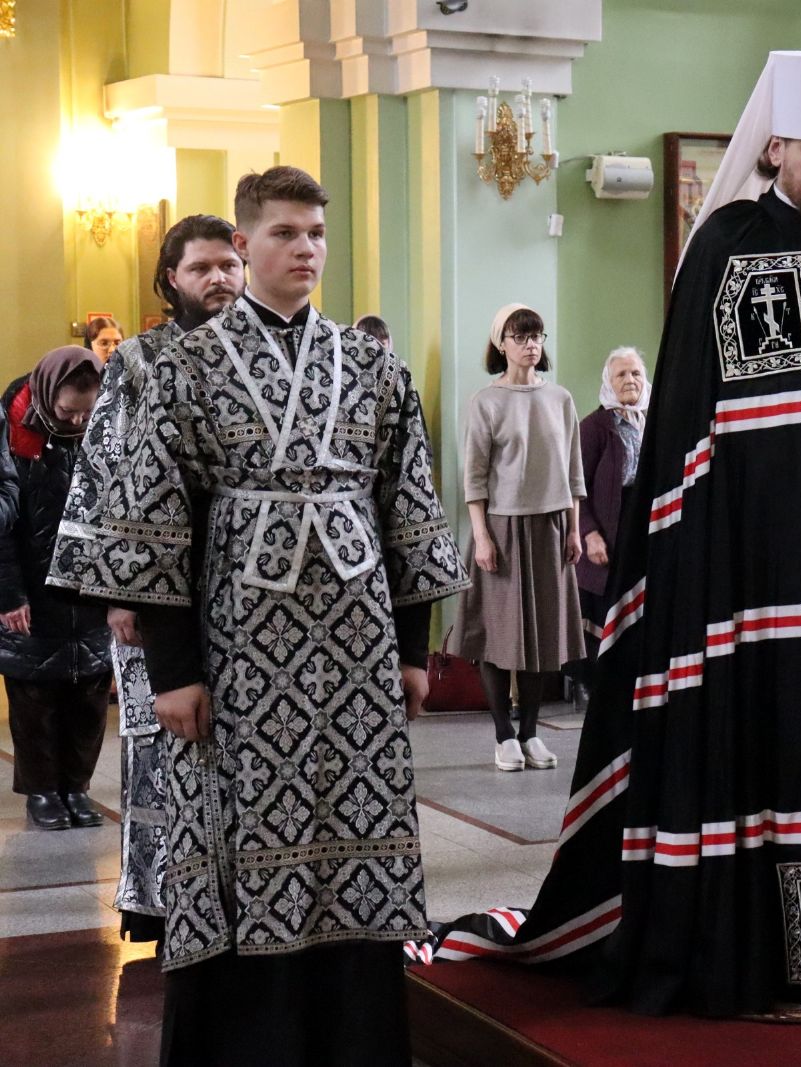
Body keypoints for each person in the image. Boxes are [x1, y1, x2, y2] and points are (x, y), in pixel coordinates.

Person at [418, 50, 801, 1018]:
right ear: (775, 148)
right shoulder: (725, 247)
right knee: (781, 750)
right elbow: (686, 434)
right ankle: (767, 956)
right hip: (761, 583)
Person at [65, 166, 468, 1065]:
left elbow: (408, 507)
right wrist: (175, 671)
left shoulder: (372, 364)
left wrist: (414, 650)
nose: (306, 249)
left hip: (358, 653)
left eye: (317, 233)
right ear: (245, 246)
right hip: (237, 655)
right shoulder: (184, 367)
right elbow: (156, 519)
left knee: (357, 840)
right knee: (238, 840)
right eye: (286, 233)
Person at [49, 213, 245, 942]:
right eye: (201, 268)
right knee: (165, 741)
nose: (219, 278)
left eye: (228, 264)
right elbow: (103, 478)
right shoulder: (136, 363)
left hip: (241, 589)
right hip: (151, 592)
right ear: (171, 279)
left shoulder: (259, 355)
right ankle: (166, 899)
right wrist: (120, 596)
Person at [449, 304, 585, 772]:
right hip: (502, 528)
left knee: (542, 636)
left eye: (537, 336)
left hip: (551, 527)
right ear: (501, 344)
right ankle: (503, 736)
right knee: (498, 635)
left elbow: (574, 473)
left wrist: (574, 527)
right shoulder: (486, 401)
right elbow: (474, 478)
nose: (531, 345)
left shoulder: (560, 399)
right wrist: (482, 536)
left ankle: (530, 734)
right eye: (521, 336)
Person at [0, 348, 108, 832]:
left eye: (87, 411)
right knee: (35, 696)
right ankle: (42, 791)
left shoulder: (107, 427)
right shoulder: (10, 428)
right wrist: (8, 595)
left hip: (90, 585)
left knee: (90, 693)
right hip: (30, 586)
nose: (78, 421)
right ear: (46, 396)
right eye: (68, 412)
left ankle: (77, 788)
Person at [575, 346, 651, 706]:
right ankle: (601, 690)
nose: (630, 380)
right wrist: (589, 533)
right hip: (607, 533)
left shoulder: (655, 423)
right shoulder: (594, 427)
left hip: (645, 530)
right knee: (604, 613)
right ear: (608, 381)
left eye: (636, 373)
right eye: (621, 374)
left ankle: (637, 690)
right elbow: (576, 488)